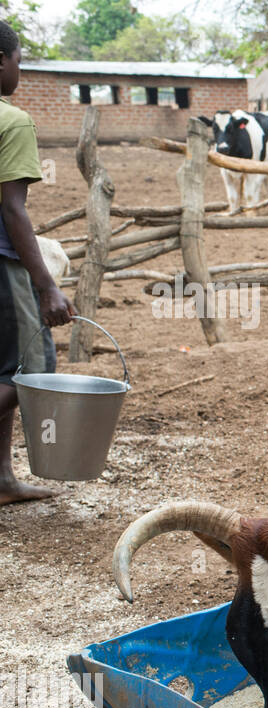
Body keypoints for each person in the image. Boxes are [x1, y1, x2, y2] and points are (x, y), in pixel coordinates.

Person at [0, 20, 73, 506]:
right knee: (31, 367)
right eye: (18, 60)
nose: (19, 70)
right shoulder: (11, 121)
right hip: (1, 265)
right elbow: (11, 207)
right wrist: (46, 285)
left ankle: (2, 479)